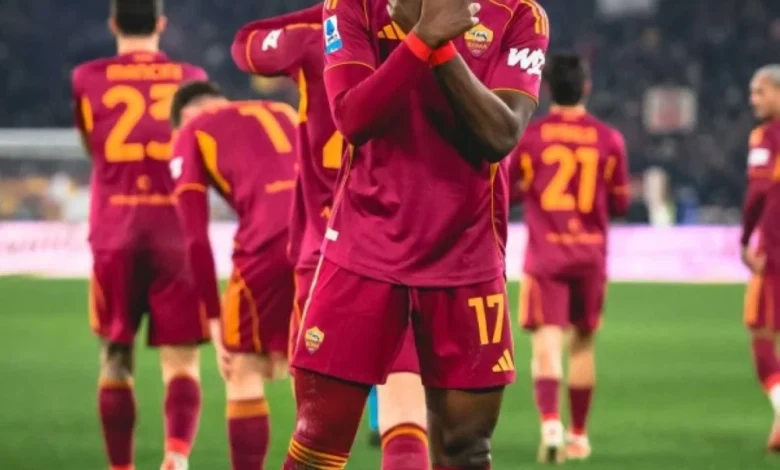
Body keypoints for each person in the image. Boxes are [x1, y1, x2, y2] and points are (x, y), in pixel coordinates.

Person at [283, 0, 549, 468]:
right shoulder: (353, 6)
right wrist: (422, 38)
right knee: (316, 446)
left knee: (466, 451)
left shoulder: (520, 15)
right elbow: (353, 118)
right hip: (363, 254)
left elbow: (501, 135)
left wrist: (438, 46)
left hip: (466, 259)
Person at [231, 6, 429, 468]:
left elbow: (245, 44)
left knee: (317, 434)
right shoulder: (442, 29)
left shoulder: (314, 34)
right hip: (411, 247)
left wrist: (329, 8)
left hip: (328, 255)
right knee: (405, 417)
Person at [70, 1, 208, 469]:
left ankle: (122, 467)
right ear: (161, 24)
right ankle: (177, 456)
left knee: (115, 355)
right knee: (182, 361)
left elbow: (93, 147)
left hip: (116, 229)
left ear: (113, 23)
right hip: (177, 232)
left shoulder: (86, 78)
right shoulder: (190, 76)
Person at [169, 81, 298, 470]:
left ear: (184, 117)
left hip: (266, 248)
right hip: (325, 245)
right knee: (312, 374)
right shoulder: (283, 111)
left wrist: (212, 318)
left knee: (241, 367)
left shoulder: (193, 130)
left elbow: (194, 238)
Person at [508, 53, 629, 463]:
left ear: (546, 90)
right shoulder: (609, 140)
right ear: (587, 88)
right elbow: (620, 203)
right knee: (582, 345)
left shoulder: (532, 138)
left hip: (546, 255)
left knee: (547, 342)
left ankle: (550, 426)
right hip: (590, 255)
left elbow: (510, 192)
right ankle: (579, 436)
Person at [740, 64, 780, 452]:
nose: (753, 100)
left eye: (760, 91)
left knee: (762, 334)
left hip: (775, 252)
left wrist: (745, 239)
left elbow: (758, 192)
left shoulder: (767, 136)